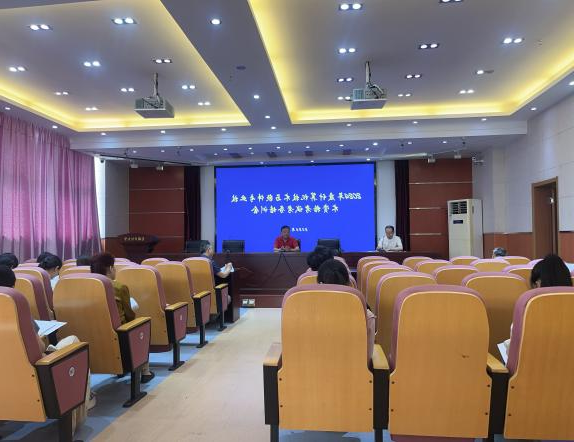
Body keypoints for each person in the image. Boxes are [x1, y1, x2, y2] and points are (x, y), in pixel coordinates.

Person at [0, 265, 95, 424]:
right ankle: (80, 408)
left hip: (6, 376)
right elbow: (39, 349)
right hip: (32, 375)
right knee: (73, 343)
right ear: (13, 285)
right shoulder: (16, 307)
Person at [90, 253, 155, 383]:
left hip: (93, 333)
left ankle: (119, 369)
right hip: (118, 334)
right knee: (142, 324)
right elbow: (129, 315)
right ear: (110, 268)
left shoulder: (86, 286)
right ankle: (145, 372)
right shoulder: (119, 287)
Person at [317, 259, 375, 358]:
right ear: (348, 283)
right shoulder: (366, 315)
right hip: (355, 368)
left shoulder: (301, 314)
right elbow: (367, 358)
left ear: (320, 284)